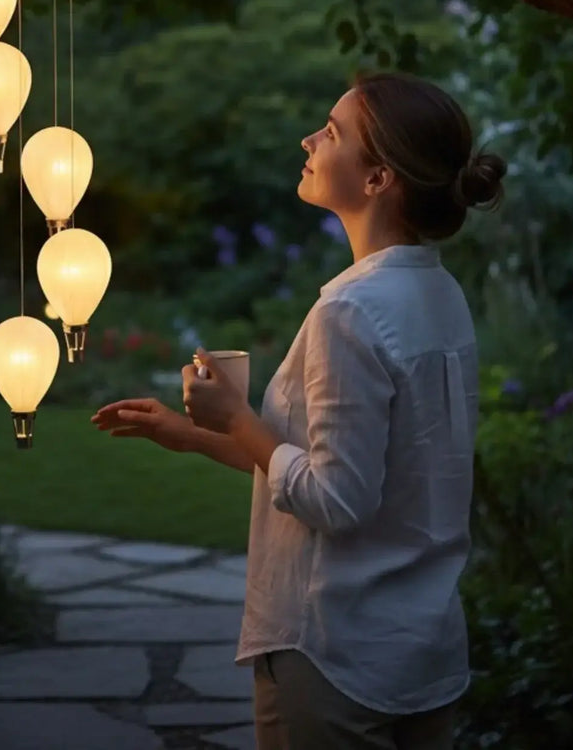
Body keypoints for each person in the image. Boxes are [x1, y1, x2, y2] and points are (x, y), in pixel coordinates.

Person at [92, 72, 507, 750]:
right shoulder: (439, 292)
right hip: (420, 652)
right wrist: (194, 436)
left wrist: (234, 417)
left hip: (336, 657)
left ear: (378, 179)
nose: (308, 139)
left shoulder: (350, 312)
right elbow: (337, 466)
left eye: (333, 132)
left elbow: (335, 498)